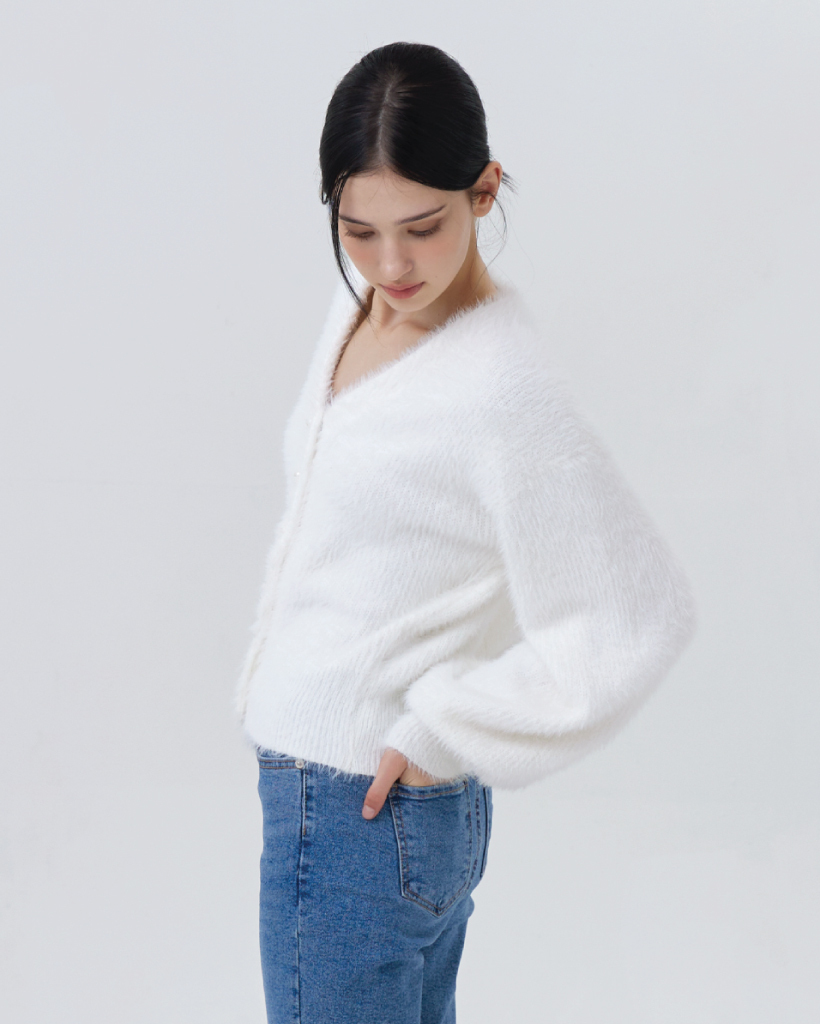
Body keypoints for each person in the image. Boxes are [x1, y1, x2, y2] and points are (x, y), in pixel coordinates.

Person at [235, 41, 695, 1024]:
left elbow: (637, 614)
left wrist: (447, 723)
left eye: (423, 227)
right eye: (357, 230)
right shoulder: (361, 312)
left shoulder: (500, 387)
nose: (391, 264)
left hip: (358, 813)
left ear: (484, 191)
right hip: (363, 808)